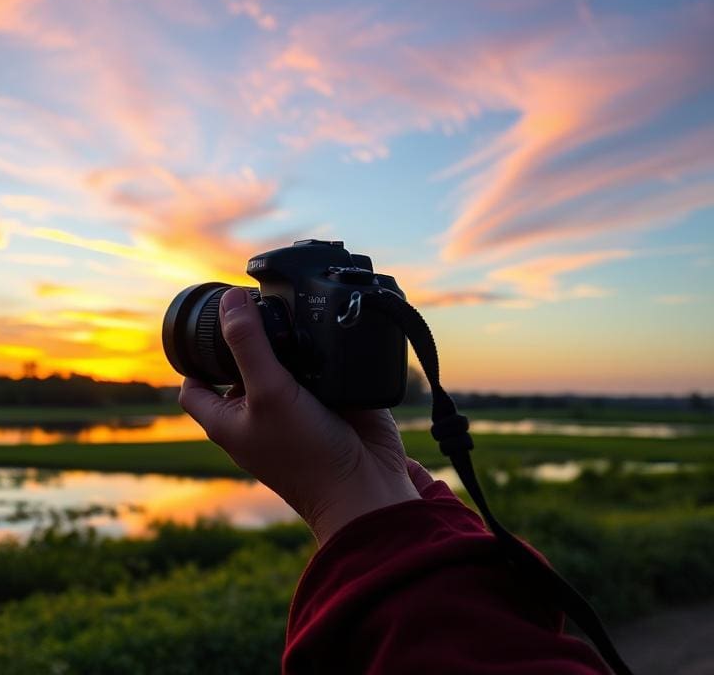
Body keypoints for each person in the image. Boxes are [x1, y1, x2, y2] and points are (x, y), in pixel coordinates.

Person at [180, 287, 612, 674]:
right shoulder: (485, 578)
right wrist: (396, 487)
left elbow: (426, 641)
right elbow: (497, 630)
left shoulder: (420, 622)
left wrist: (334, 491)